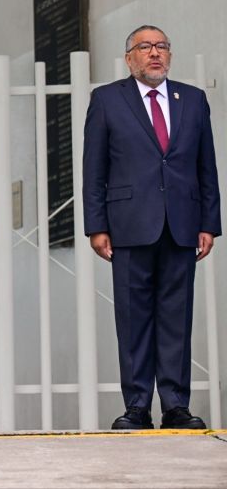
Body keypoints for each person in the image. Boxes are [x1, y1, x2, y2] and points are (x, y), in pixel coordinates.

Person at [83, 25, 220, 431]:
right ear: (129, 58)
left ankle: (176, 406)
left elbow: (206, 166)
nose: (155, 53)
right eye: (145, 47)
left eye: (161, 46)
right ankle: (137, 406)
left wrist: (209, 222)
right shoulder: (107, 99)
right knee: (133, 317)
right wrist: (96, 225)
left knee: (177, 318)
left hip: (182, 224)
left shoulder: (192, 100)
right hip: (128, 225)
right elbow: (94, 169)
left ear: (170, 55)